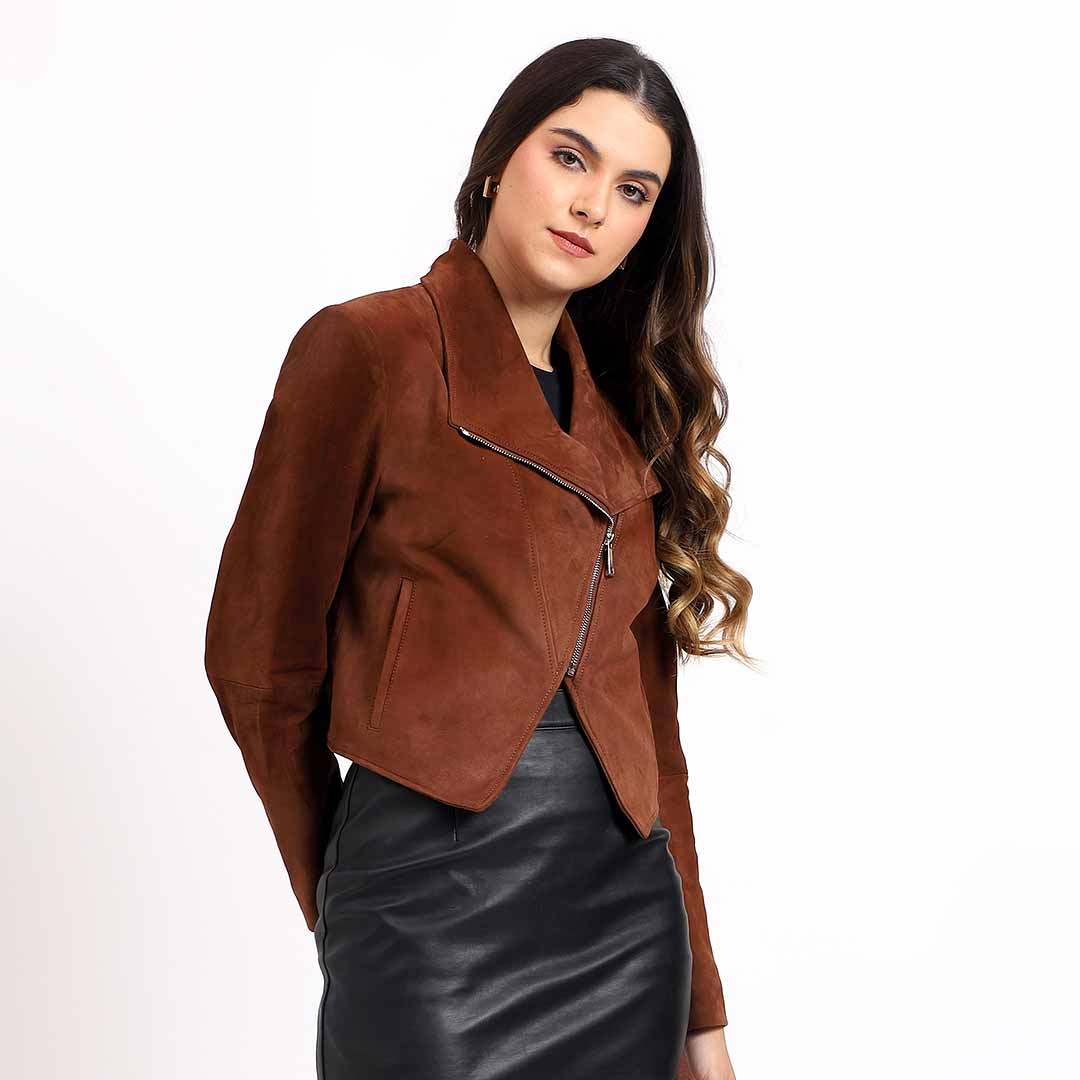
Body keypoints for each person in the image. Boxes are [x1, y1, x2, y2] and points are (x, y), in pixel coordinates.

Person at [204, 36, 753, 1080]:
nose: (591, 205)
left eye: (633, 190)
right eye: (571, 156)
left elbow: (656, 747)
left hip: (626, 936)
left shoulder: (623, 421)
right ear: (501, 158)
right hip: (424, 927)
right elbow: (257, 666)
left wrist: (702, 1015)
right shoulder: (368, 350)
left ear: (647, 227)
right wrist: (346, 894)